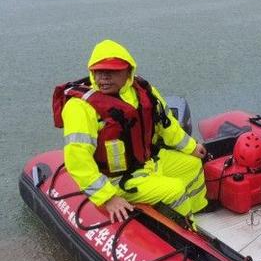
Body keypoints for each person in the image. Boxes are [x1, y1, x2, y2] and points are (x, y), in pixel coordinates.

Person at [54, 39, 208, 224]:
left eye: (111, 72)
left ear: (128, 71)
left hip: (148, 162)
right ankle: (188, 231)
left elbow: (167, 125)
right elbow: (78, 159)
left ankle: (198, 212)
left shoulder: (143, 91)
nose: (103, 78)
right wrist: (107, 197)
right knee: (174, 190)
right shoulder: (80, 107)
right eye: (98, 72)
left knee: (192, 165)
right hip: (117, 179)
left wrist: (191, 147)